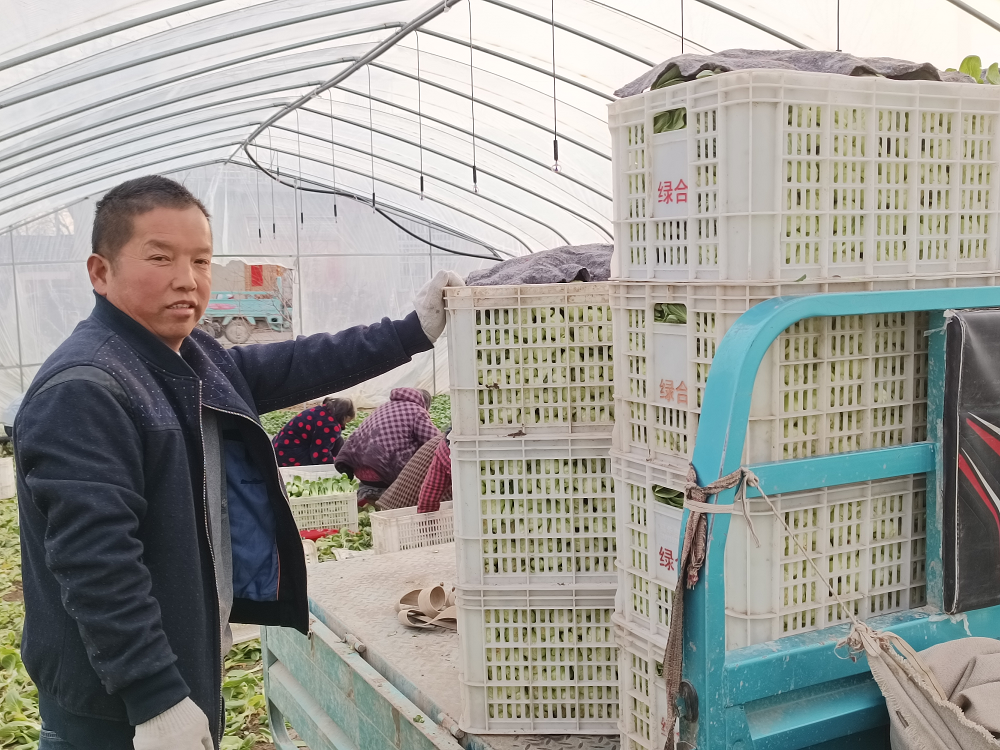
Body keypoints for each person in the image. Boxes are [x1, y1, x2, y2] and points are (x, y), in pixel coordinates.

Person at [13, 174, 464, 750]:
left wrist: (409, 332)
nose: (187, 279)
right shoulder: (86, 388)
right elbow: (96, 563)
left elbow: (297, 363)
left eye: (201, 260)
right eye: (160, 257)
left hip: (182, 660)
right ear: (100, 273)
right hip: (111, 708)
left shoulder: (187, 355)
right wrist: (156, 700)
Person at [334, 388, 440, 507]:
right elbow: (436, 442)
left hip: (360, 469)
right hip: (383, 472)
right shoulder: (417, 411)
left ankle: (369, 502)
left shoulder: (384, 407)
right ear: (424, 404)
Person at [376, 427, 452, 513]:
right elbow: (429, 498)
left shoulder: (444, 442)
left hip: (390, 504)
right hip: (408, 513)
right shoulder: (448, 449)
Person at [272, 397, 355, 467]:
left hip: (278, 448)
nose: (344, 426)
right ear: (343, 416)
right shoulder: (329, 425)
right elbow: (319, 455)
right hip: (288, 455)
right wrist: (334, 465)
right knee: (329, 453)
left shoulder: (320, 411)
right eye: (346, 422)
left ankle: (342, 460)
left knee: (338, 439)